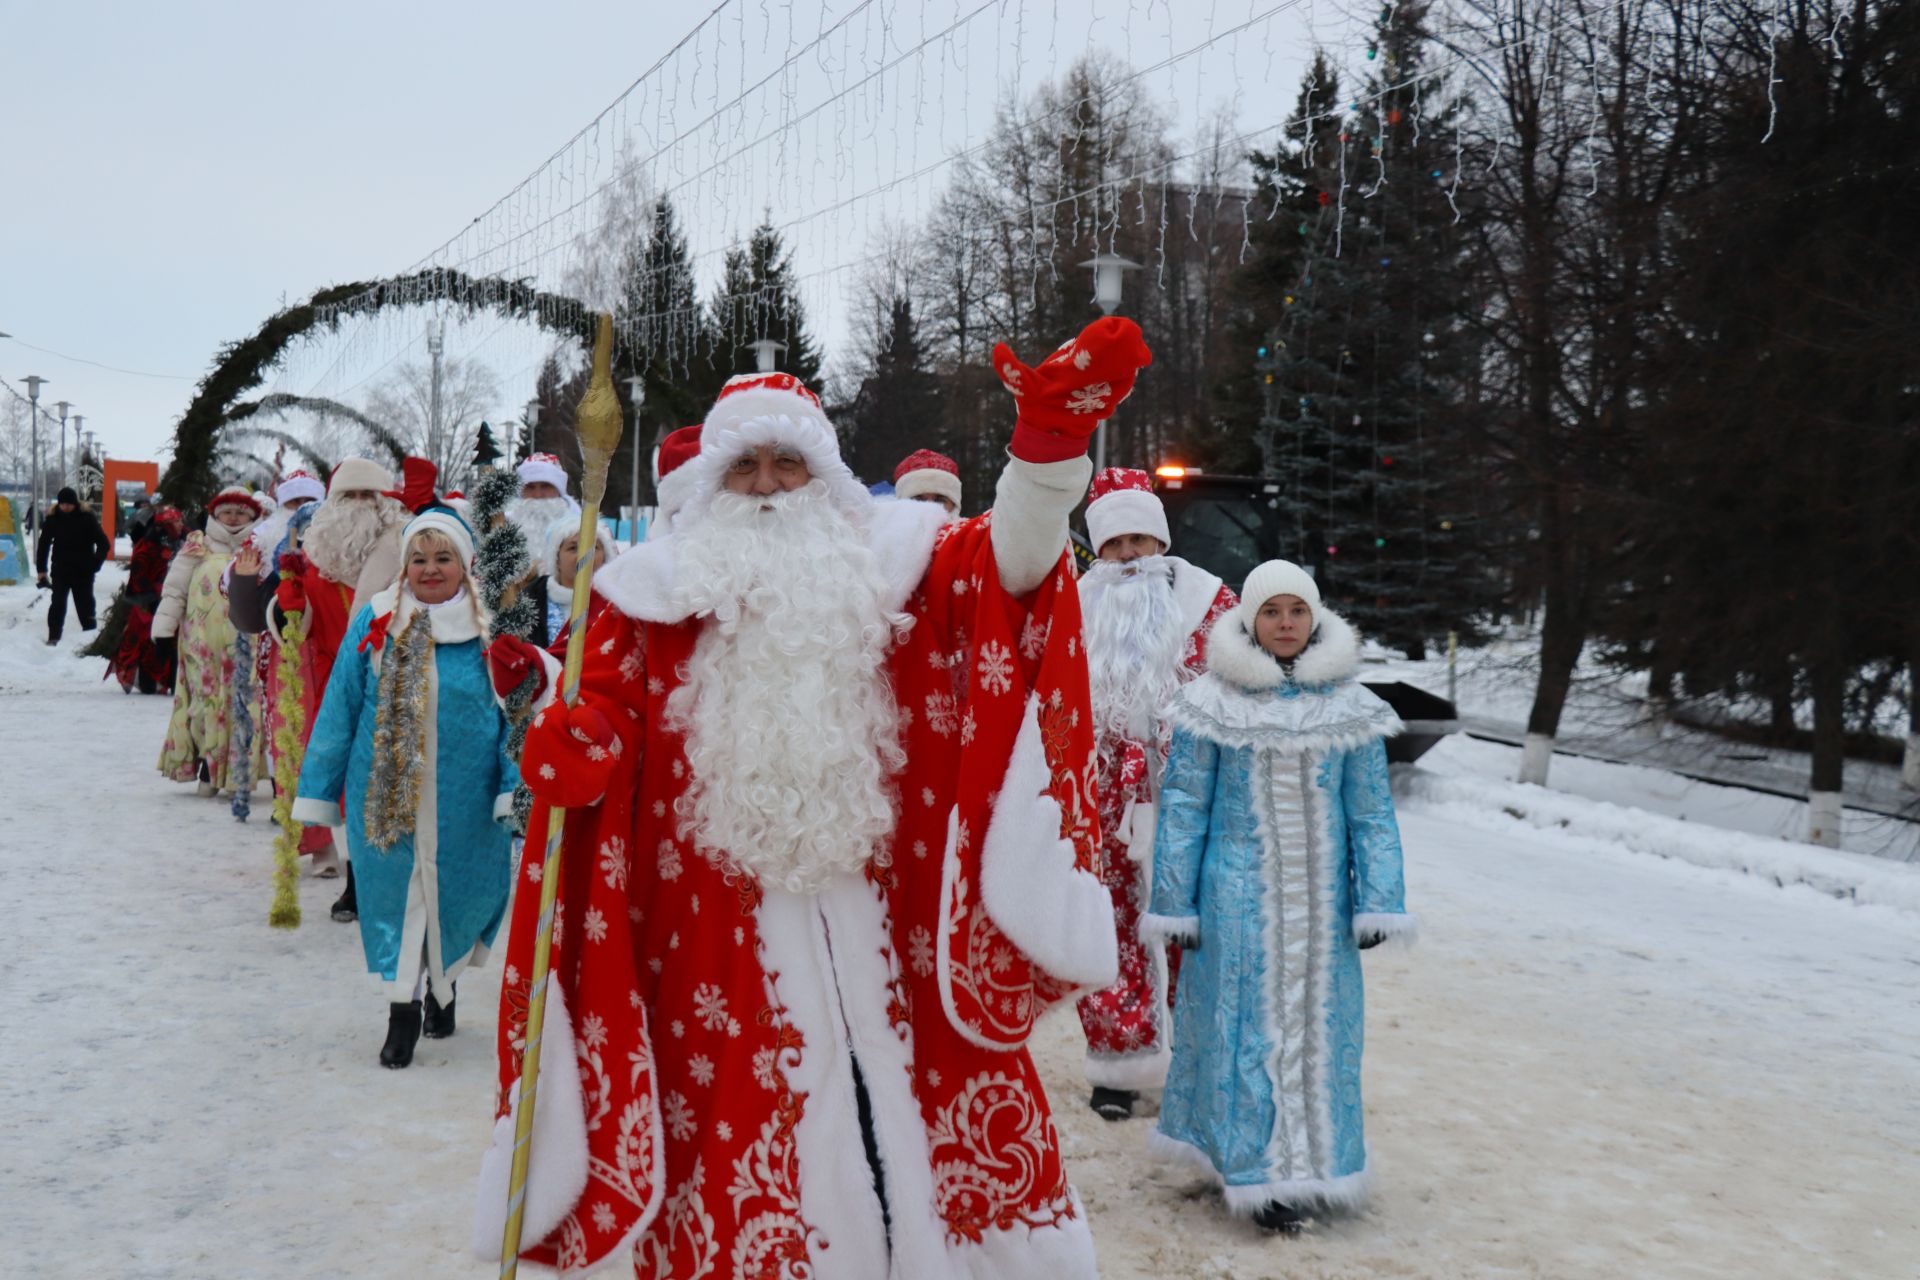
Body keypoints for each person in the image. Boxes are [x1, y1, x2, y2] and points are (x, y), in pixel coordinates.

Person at [473, 319, 1153, 1277]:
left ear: (826, 482)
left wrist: (1045, 453)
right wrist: (573, 753)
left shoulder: (899, 575)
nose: (762, 484)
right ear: (708, 486)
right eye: (742, 466)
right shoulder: (643, 608)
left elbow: (1018, 571)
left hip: (899, 948)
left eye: (786, 465)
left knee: (919, 1158)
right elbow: (601, 734)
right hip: (717, 970)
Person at [1143, 560, 1413, 1235]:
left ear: (1314, 618)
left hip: (1322, 912)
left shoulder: (1349, 705)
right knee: (1246, 1034)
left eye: (1296, 611)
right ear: (1250, 620)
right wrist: (1176, 902)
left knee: (1321, 1034)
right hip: (1237, 904)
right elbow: (1183, 807)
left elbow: (1372, 812)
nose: (1285, 623)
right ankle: (1257, 1173)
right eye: (1272, 611)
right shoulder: (1212, 701)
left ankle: (1317, 1162)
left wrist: (1378, 896)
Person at [292, 507, 515, 1069]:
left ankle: (445, 984)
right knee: (399, 903)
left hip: (465, 807)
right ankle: (402, 1011)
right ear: (405, 566)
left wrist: (513, 790)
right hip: (385, 800)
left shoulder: (489, 635)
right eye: (419, 559)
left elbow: (517, 722)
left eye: (443, 559)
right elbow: (339, 710)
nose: (430, 569)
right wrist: (319, 788)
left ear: (464, 567)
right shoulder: (376, 623)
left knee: (457, 901)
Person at [1073, 466, 1238, 1121]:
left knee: (1193, 929)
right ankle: (1118, 1065)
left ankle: (1196, 1057)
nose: (1130, 556)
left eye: (1141, 540)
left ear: (1161, 541)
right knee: (1108, 929)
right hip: (1100, 802)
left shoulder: (1212, 602)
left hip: (1189, 799)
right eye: (1116, 544)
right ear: (1099, 550)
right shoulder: (1075, 606)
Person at [269, 460, 411, 918]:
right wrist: (288, 604)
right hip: (331, 687)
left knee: (384, 783)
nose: (357, 506)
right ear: (332, 504)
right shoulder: (316, 557)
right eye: (347, 497)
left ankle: (388, 877)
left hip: (389, 681)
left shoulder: (406, 555)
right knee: (343, 788)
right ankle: (354, 882)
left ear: (385, 503)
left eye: (367, 496)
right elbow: (299, 627)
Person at [153, 488, 264, 797]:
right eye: (227, 511)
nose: (233, 517)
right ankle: (206, 767)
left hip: (247, 648)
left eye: (241, 513)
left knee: (243, 706)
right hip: (201, 649)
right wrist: (163, 628)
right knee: (203, 706)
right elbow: (175, 590)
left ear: (253, 518)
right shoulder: (197, 546)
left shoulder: (262, 546)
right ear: (215, 515)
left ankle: (236, 774)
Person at [110, 506, 184, 694]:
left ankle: (173, 682)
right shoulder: (148, 545)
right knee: (147, 643)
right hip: (150, 603)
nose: (180, 524)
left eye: (179, 520)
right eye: (175, 522)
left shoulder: (185, 540)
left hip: (176, 599)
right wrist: (150, 599)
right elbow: (139, 575)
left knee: (174, 644)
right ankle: (148, 683)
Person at [521, 514, 617, 651]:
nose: (584, 556)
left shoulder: (615, 602)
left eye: (594, 548)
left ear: (604, 556)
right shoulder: (530, 599)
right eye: (573, 548)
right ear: (557, 559)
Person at [35, 486, 111, 645]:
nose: (65, 507)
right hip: (60, 569)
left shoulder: (87, 518)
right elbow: (43, 545)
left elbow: (103, 543)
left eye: (69, 504)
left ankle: (90, 637)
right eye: (62, 504)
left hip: (83, 571)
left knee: (85, 605)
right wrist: (41, 570)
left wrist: (95, 564)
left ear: (75, 504)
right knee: (57, 604)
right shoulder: (53, 518)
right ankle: (53, 636)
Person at [505, 451, 579, 547]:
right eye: (530, 487)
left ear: (559, 490)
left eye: (546, 486)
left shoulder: (581, 527)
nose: (538, 495)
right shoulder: (503, 526)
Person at [892, 448, 963, 519]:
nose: (930, 508)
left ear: (954, 505)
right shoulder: (884, 530)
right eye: (918, 500)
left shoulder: (971, 529)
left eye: (940, 500)